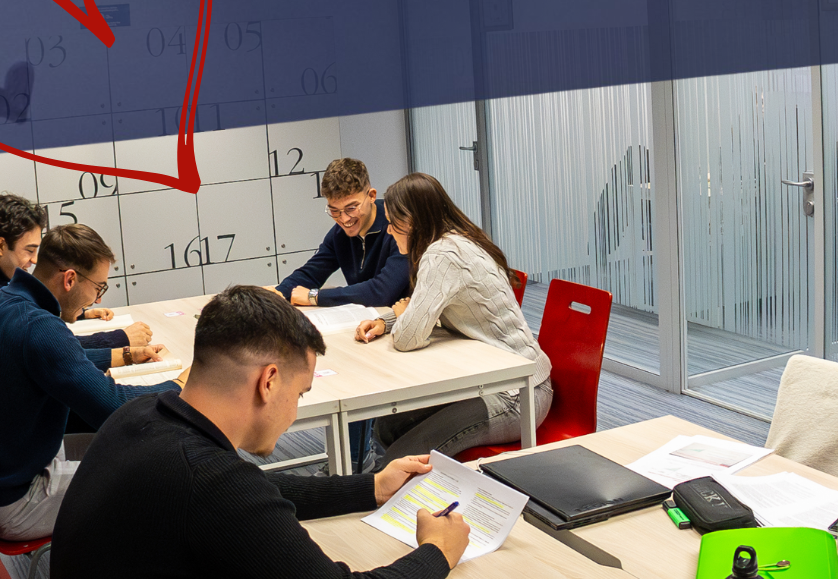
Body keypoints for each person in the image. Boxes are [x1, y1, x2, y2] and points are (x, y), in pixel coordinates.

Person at [51, 285, 470, 579]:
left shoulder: (142, 415)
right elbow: (236, 495)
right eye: (300, 393)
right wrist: (438, 551)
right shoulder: (207, 482)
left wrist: (372, 487)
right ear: (268, 381)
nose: (294, 412)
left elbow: (255, 493)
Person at [0, 224, 175, 540]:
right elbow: (115, 407)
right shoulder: (39, 326)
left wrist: (124, 355)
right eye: (99, 288)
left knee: (130, 445)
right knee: (160, 473)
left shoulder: (0, 300)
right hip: (18, 501)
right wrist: (181, 385)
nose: (96, 300)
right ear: (69, 279)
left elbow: (54, 359)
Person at [354, 173, 552, 464]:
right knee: (389, 425)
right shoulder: (455, 241)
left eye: (393, 223)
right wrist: (389, 321)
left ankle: (419, 500)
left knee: (397, 459)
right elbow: (421, 311)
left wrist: (400, 318)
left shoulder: (443, 255)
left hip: (517, 393)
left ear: (412, 222)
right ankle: (429, 493)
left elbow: (409, 339)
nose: (388, 232)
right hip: (494, 381)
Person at [0, 193, 151, 411]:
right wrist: (120, 340)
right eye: (29, 250)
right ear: (0, 246)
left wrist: (78, 313)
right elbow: (53, 349)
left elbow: (47, 349)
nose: (35, 260)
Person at [275, 158, 410, 308]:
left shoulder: (399, 227)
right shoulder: (339, 234)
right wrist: (279, 294)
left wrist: (315, 297)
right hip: (369, 319)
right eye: (334, 211)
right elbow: (311, 273)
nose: (344, 219)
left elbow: (382, 291)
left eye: (351, 208)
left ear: (371, 196)